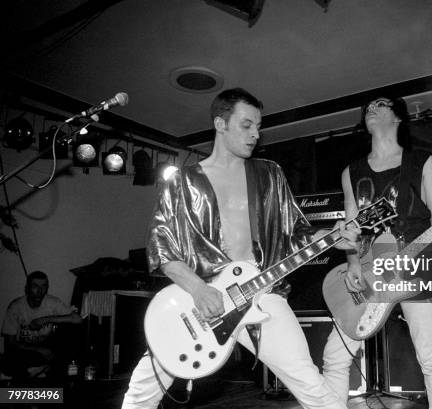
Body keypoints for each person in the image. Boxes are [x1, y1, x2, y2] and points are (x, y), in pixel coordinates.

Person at [122, 88, 360, 409]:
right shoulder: (183, 181)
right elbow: (162, 248)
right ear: (220, 124)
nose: (256, 134)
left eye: (258, 127)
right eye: (246, 125)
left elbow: (297, 233)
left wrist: (332, 236)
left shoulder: (269, 175)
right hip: (204, 298)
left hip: (263, 292)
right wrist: (197, 289)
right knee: (142, 390)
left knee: (311, 385)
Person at [322, 96, 432, 409]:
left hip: (414, 269)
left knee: (431, 358)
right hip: (368, 275)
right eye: (366, 108)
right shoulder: (350, 171)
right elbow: (352, 230)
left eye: (380, 105)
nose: (370, 110)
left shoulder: (422, 162)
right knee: (334, 357)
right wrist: (353, 263)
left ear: (399, 118)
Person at [1, 270, 83, 381]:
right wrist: (40, 350)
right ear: (27, 288)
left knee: (70, 333)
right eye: (35, 286)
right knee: (8, 361)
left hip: (48, 348)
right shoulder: (16, 307)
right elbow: (10, 343)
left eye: (44, 286)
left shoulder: (52, 302)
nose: (39, 291)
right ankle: (40, 369)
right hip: (26, 350)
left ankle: (41, 369)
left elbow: (77, 319)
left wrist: (44, 320)